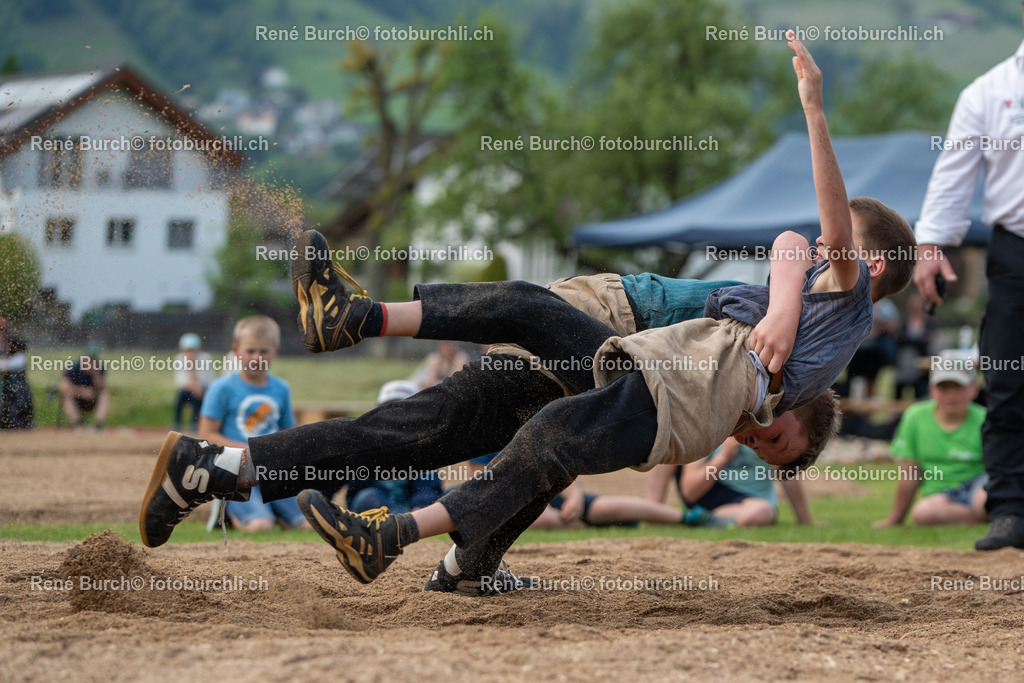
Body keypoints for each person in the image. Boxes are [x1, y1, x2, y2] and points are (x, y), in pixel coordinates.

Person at [140, 35, 912, 592]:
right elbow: (807, 238)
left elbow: (815, 240)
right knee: (440, 422)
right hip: (618, 321)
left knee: (522, 434)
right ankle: (232, 460)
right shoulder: (813, 302)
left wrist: (815, 125)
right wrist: (812, 123)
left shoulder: (805, 346)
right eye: (772, 439)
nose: (754, 439)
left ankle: (405, 527)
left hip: (635, 362)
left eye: (766, 445)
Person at [914, 8, 1024, 550]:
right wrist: (930, 246)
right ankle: (1009, 513)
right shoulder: (988, 91)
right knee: (1008, 385)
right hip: (1015, 253)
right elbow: (953, 173)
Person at [196, 316, 310, 533]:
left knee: (310, 524)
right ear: (236, 351)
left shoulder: (281, 388)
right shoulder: (221, 388)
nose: (257, 357)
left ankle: (276, 511)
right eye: (250, 351)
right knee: (260, 526)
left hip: (274, 474)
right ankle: (228, 509)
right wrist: (251, 453)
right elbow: (207, 435)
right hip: (237, 473)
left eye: (264, 351)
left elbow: (288, 431)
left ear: (275, 351)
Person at [874, 350, 987, 527]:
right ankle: (986, 517)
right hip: (941, 494)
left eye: (958, 387)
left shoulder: (986, 419)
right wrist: (895, 520)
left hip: (979, 484)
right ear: (931, 390)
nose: (951, 394)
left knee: (986, 499)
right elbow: (910, 472)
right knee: (923, 513)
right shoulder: (915, 417)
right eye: (944, 388)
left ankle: (986, 512)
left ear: (974, 389)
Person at [652, 437, 814, 527]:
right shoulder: (709, 423)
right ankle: (652, 511)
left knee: (761, 513)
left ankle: (701, 519)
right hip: (704, 488)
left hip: (747, 500)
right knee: (669, 443)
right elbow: (690, 491)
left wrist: (805, 521)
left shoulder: (769, 428)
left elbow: (788, 475)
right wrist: (723, 458)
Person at [345, 380, 444, 515]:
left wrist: (420, 505)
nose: (396, 417)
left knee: (455, 494)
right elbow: (330, 479)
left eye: (404, 410)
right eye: (389, 410)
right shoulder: (363, 445)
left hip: (412, 507)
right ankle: (406, 520)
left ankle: (411, 519)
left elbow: (427, 486)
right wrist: (306, 517)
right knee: (367, 497)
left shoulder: (422, 444)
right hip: (375, 504)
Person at [172, 332, 214, 432]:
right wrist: (194, 385)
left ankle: (194, 423)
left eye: (192, 350)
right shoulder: (179, 359)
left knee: (196, 399)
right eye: (187, 350)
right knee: (182, 397)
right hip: (189, 390)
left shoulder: (205, 358)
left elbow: (207, 379)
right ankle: (177, 423)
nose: (190, 353)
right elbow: (180, 382)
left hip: (202, 390)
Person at [60, 346, 109, 429]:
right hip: (77, 399)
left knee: (104, 394)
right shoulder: (74, 367)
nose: (90, 361)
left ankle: (98, 424)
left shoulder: (99, 367)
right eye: (88, 358)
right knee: (66, 395)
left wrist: (95, 374)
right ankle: (77, 424)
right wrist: (81, 392)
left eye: (93, 359)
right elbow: (64, 387)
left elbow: (102, 387)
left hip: (92, 399)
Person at [0, 320, 34, 429]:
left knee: (17, 384)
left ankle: (23, 420)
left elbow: (19, 362)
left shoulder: (15, 342)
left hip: (14, 384)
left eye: (2, 330)